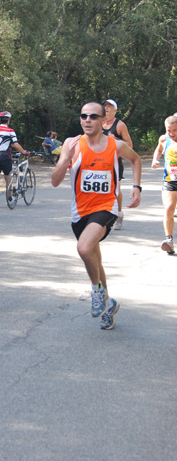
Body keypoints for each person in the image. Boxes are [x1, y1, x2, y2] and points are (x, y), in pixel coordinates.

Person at [51, 102, 142, 330]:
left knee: (83, 249)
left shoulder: (115, 145)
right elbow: (54, 181)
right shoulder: (72, 144)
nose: (88, 120)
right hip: (80, 212)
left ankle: (96, 291)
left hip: (106, 207)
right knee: (95, 259)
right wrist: (65, 159)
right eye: (84, 116)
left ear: (103, 120)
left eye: (93, 116)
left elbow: (136, 159)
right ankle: (108, 305)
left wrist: (137, 186)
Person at [102, 99, 133, 230]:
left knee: (116, 190)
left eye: (110, 106)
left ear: (115, 110)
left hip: (115, 162)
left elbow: (130, 145)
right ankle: (102, 215)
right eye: (105, 106)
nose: (107, 108)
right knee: (102, 190)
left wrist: (117, 141)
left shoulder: (120, 125)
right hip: (99, 163)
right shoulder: (97, 122)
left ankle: (119, 214)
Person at [0, 111, 28, 208]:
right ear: (8, 120)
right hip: (6, 157)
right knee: (8, 178)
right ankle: (9, 198)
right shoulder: (10, 131)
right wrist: (24, 152)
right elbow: (16, 144)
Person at [151, 115, 177, 255]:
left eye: (175, 130)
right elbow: (159, 149)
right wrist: (155, 160)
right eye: (169, 130)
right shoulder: (164, 139)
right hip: (170, 180)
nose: (172, 133)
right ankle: (169, 241)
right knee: (168, 208)